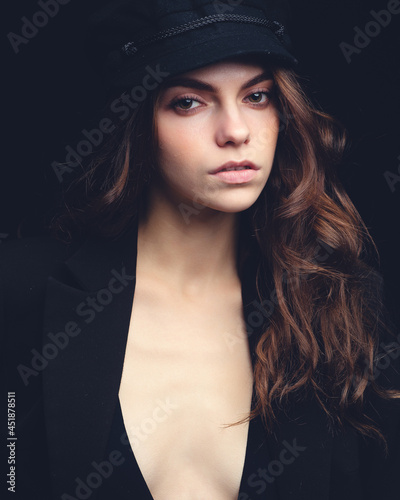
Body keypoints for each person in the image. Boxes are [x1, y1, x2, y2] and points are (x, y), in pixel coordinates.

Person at [1, 1, 400, 499]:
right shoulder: (20, 292)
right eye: (190, 102)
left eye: (257, 96)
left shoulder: (342, 301)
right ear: (137, 124)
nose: (236, 131)